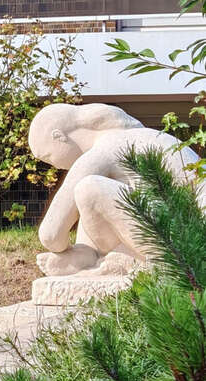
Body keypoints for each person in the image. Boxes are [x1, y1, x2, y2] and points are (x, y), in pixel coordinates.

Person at [29, 103, 204, 277]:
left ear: (59, 136)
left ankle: (120, 259)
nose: (55, 165)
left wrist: (61, 248)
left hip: (179, 241)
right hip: (187, 232)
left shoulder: (103, 150)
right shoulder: (143, 137)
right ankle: (88, 256)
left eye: (48, 157)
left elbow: (50, 235)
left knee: (88, 188)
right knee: (95, 194)